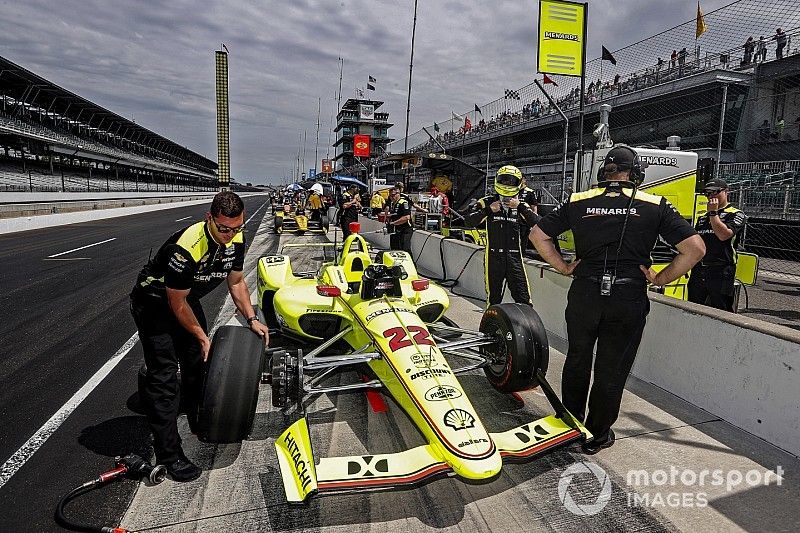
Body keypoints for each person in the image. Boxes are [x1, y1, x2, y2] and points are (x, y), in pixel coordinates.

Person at [530, 145, 705, 454]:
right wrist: (660, 277)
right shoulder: (654, 204)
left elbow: (537, 235)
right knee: (612, 367)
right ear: (635, 172)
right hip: (627, 296)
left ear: (604, 172)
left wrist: (563, 266)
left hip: (585, 292)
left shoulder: (578, 200)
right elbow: (695, 248)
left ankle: (570, 425)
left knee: (578, 359)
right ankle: (597, 434)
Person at [130, 191, 269, 481]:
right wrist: (202, 336)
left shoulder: (236, 239)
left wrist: (252, 318)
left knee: (197, 362)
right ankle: (169, 455)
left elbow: (237, 281)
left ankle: (195, 416)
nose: (230, 235)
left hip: (184, 298)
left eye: (236, 228)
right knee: (165, 375)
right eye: (224, 229)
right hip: (155, 301)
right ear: (210, 219)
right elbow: (175, 304)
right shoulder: (188, 247)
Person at [465, 165, 540, 306]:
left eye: (511, 181)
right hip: (493, 258)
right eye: (504, 180)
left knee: (524, 300)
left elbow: (539, 224)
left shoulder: (522, 205)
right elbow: (468, 221)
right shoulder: (487, 201)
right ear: (497, 181)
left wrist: (520, 207)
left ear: (518, 183)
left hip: (515, 258)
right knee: (493, 300)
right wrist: (489, 210)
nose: (507, 184)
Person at [688, 179, 747, 312]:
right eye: (707, 193)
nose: (711, 196)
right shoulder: (703, 217)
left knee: (720, 311)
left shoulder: (736, 214)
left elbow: (724, 235)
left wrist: (713, 213)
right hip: (699, 270)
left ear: (726, 192)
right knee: (693, 309)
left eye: (715, 192)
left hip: (721, 271)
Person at [387, 186, 413, 253]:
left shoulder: (403, 203)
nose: (391, 197)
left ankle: (410, 263)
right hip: (396, 229)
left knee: (405, 249)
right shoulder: (393, 204)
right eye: (390, 196)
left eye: (393, 195)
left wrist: (394, 223)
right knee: (394, 248)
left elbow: (407, 217)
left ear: (398, 194)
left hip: (405, 230)